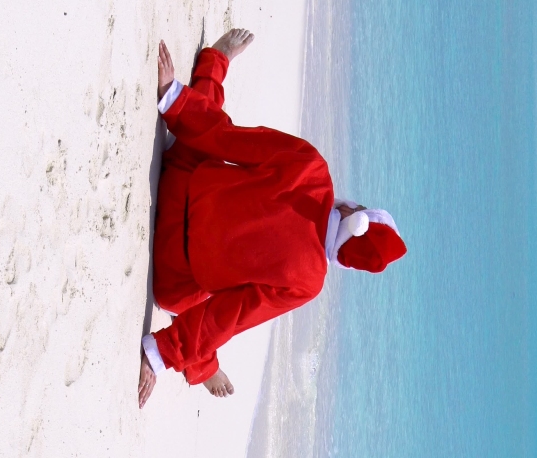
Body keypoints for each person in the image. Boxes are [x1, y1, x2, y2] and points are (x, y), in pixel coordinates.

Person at [137, 29, 407, 408]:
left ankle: (216, 62)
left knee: (214, 139)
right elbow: (227, 316)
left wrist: (173, 99)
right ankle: (202, 368)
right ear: (346, 260)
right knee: (209, 317)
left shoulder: (314, 168)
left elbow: (227, 139)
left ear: (353, 211)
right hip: (172, 273)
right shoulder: (309, 282)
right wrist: (159, 354)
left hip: (179, 178)